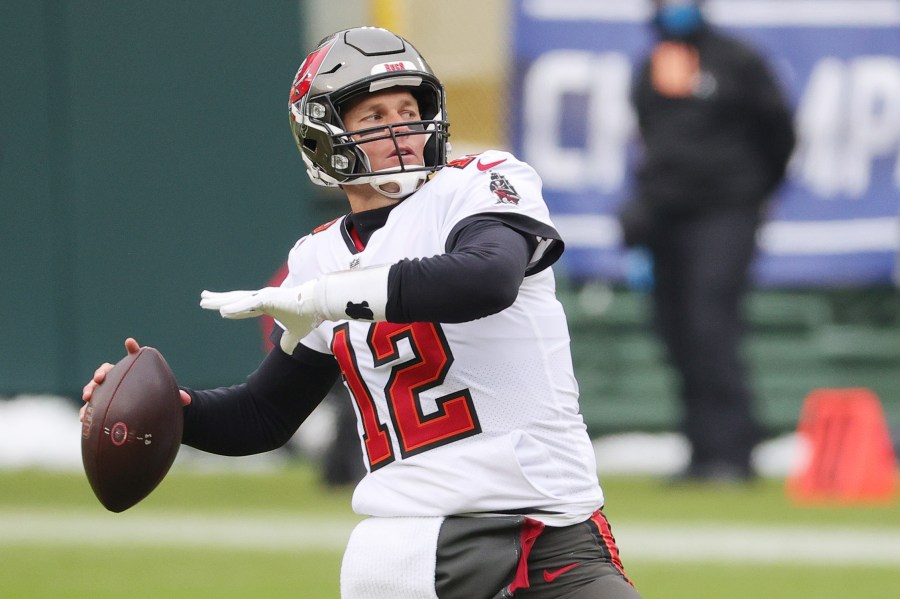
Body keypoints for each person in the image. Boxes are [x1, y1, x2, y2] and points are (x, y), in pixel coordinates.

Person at [82, 27, 642, 598]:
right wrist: (165, 409)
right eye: (374, 118)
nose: (401, 130)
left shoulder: (477, 186)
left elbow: (488, 279)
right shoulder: (318, 257)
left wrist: (330, 296)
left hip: (542, 530)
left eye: (409, 109)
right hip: (434, 547)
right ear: (324, 138)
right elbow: (264, 415)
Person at [619, 0, 796, 483]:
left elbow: (780, 132)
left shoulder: (737, 60)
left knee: (710, 324)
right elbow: (652, 142)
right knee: (675, 329)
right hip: (666, 215)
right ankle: (702, 452)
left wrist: (753, 191)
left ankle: (733, 453)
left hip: (725, 212)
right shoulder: (651, 66)